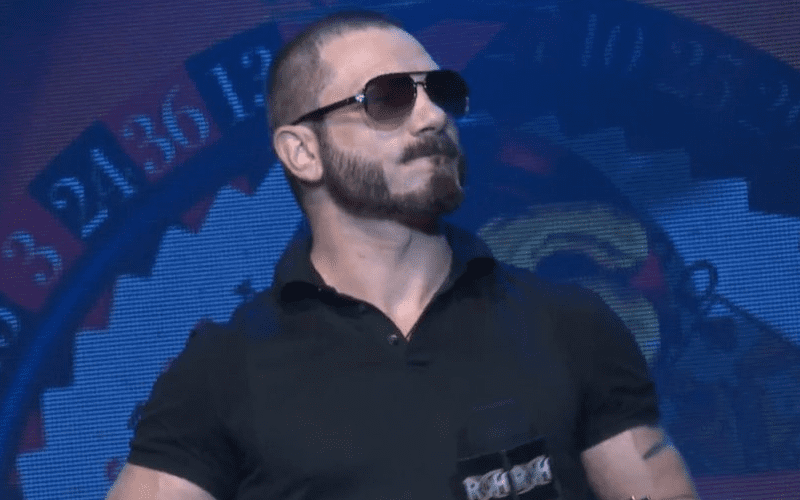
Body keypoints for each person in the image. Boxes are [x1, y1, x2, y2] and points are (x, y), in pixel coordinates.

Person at [107, 10, 698, 500]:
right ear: (302, 152)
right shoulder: (220, 372)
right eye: (387, 98)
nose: (433, 116)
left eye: (442, 92)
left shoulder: (570, 324)